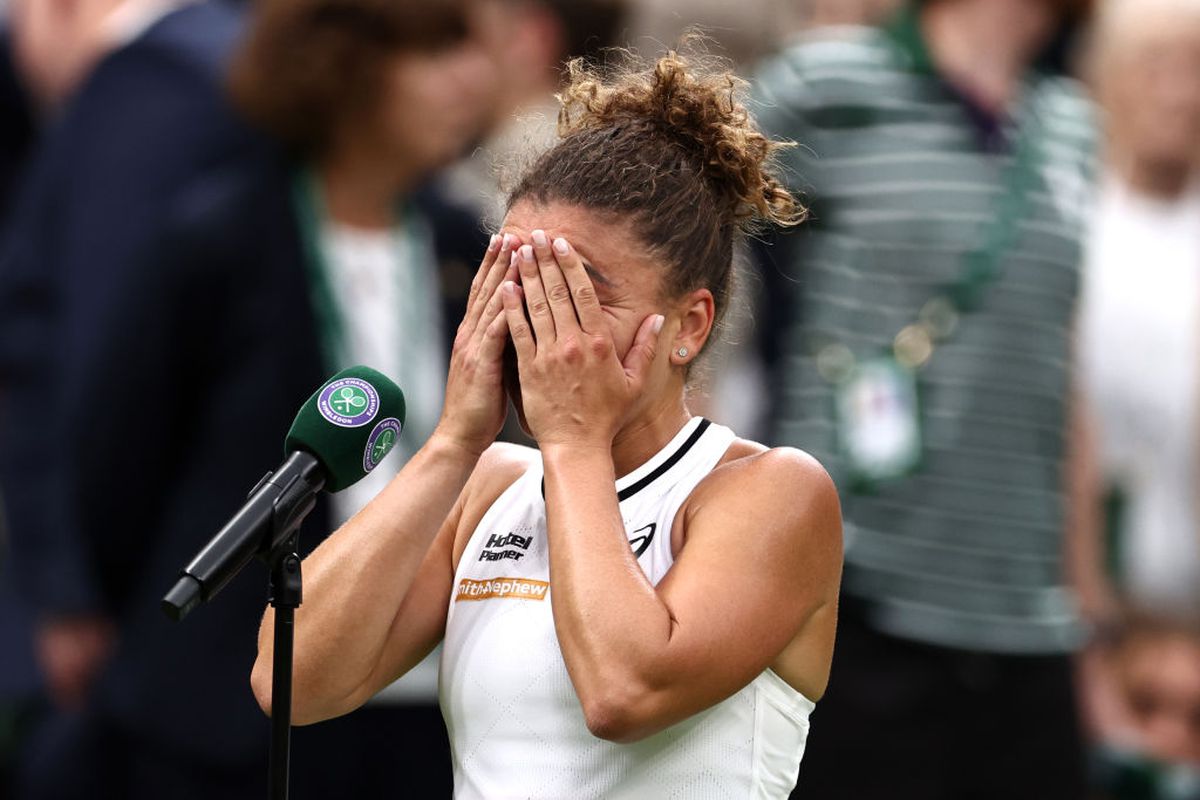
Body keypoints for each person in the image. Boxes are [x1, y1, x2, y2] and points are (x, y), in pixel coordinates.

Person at [251, 50, 843, 798]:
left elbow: (624, 692)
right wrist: (454, 443)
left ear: (688, 326)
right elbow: (291, 683)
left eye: (575, 293)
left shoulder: (769, 492)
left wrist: (571, 440)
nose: (537, 323)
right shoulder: (488, 484)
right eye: (516, 283)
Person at [751, 0, 1097, 797]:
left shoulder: (1074, 119)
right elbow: (684, 234)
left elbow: (1062, 368)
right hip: (857, 605)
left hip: (1028, 617)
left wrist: (1091, 610)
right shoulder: (832, 78)